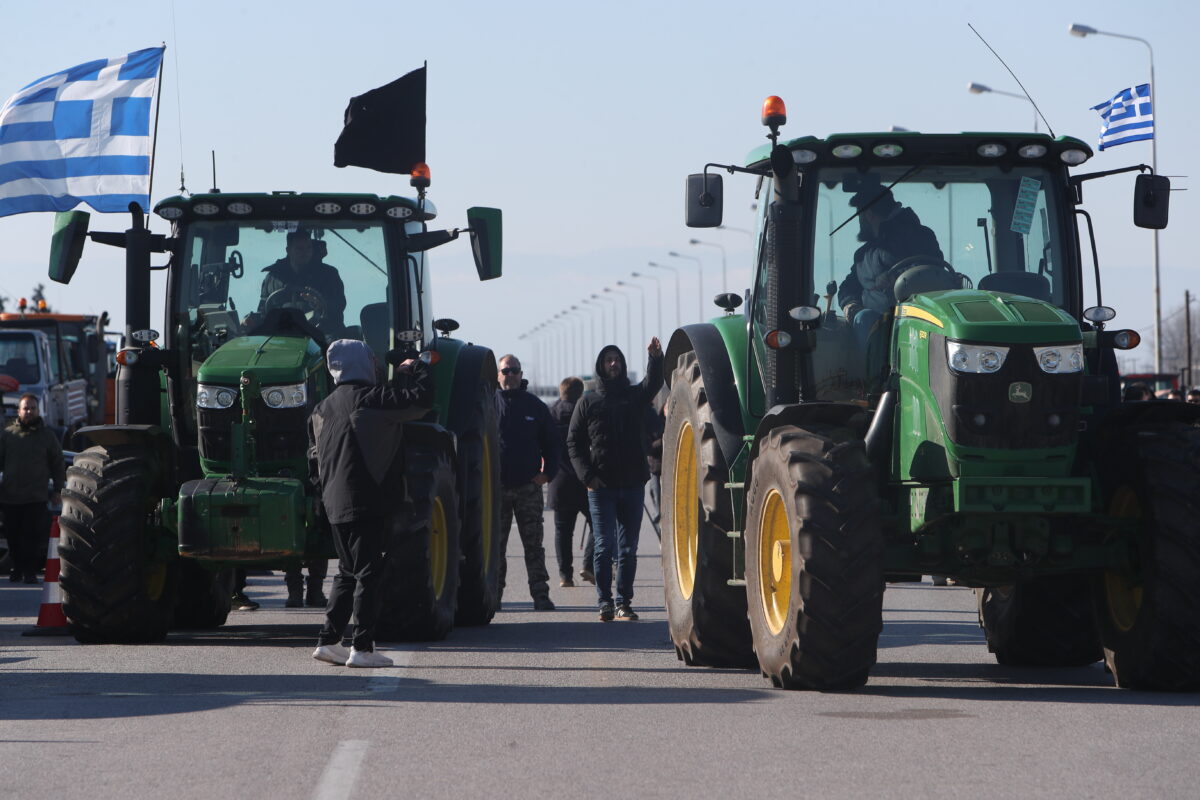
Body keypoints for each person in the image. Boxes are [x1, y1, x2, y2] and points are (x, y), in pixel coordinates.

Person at [309, 338, 432, 668]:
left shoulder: (322, 408)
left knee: (347, 572)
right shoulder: (372, 398)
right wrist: (414, 367)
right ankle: (362, 646)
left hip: (334, 502)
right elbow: (421, 402)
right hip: (369, 500)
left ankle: (328, 640)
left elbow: (313, 460)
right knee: (369, 573)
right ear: (363, 364)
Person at [568, 338, 664, 622]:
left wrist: (656, 358)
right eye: (608, 360)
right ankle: (604, 601)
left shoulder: (634, 396)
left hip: (633, 484)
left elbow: (653, 383)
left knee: (627, 549)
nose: (613, 364)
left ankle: (624, 602)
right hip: (601, 486)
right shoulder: (588, 401)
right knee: (603, 546)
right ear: (601, 366)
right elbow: (573, 442)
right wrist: (587, 476)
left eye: (617, 360)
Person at [838, 188, 943, 354]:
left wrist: (894, 278)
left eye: (860, 215)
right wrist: (849, 304)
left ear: (868, 214)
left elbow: (930, 270)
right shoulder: (864, 254)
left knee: (865, 319)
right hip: (878, 320)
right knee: (862, 317)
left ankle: (874, 376)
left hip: (917, 315)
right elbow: (849, 286)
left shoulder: (919, 236)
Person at [495, 355, 558, 611]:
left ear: (521, 375)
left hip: (528, 489)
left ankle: (540, 594)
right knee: (496, 548)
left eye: (514, 371)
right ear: (498, 375)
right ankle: (494, 595)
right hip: (496, 490)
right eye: (505, 371)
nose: (510, 375)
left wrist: (547, 474)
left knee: (533, 545)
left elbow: (553, 444)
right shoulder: (488, 404)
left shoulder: (535, 406)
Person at [0, 394, 64, 584]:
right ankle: (17, 569)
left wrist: (58, 490)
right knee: (13, 536)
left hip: (36, 497)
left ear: (38, 411)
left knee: (32, 537)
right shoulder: (8, 435)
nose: (29, 412)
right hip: (10, 497)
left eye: (33, 408)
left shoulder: (47, 436)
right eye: (26, 408)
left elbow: (58, 464)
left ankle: (29, 572)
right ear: (19, 411)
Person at [254, 230, 347, 333]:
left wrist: (321, 304)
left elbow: (339, 304)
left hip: (321, 334)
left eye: (309, 248)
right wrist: (250, 320)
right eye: (300, 249)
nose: (305, 252)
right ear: (288, 250)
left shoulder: (329, 275)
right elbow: (263, 310)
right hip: (279, 338)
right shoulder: (273, 278)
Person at [547, 376, 589, 587]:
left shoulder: (551, 412)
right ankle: (589, 564)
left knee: (563, 531)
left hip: (559, 480)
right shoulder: (585, 410)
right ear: (580, 392)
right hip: (585, 479)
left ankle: (565, 575)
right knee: (599, 525)